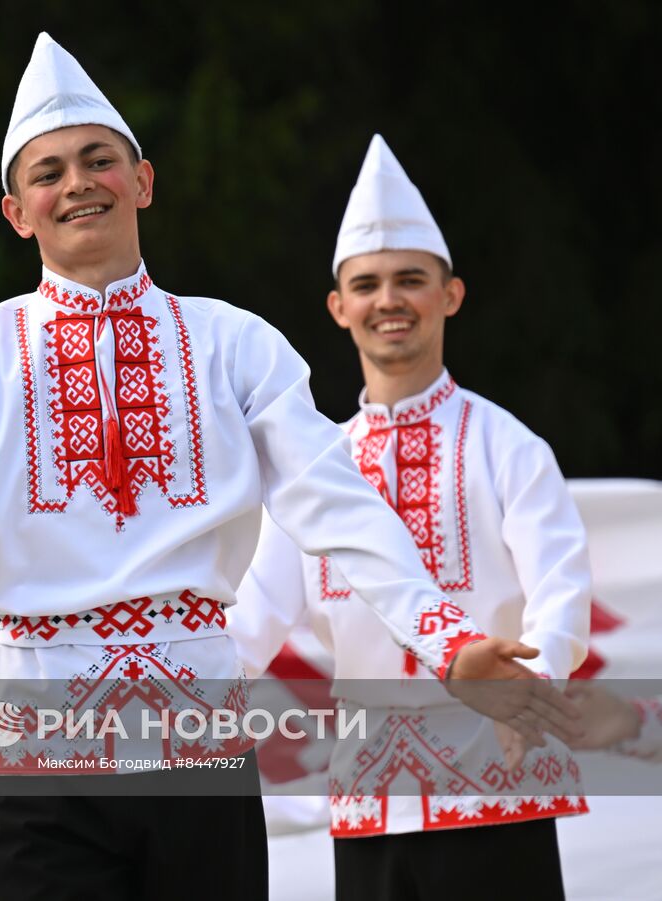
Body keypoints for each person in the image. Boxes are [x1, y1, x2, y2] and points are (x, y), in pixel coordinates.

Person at [0, 35, 577, 899]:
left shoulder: (234, 343)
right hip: (41, 745)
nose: (78, 182)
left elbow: (335, 506)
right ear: (18, 212)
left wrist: (450, 641)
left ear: (144, 181)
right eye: (48, 172)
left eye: (100, 160)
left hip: (198, 749)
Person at [226, 135, 591, 900]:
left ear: (450, 294)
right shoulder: (314, 468)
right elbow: (254, 614)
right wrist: (169, 707)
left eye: (410, 280)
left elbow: (562, 590)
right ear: (338, 306)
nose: (387, 300)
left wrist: (536, 690)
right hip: (374, 795)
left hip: (499, 777)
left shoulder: (508, 447)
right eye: (367, 284)